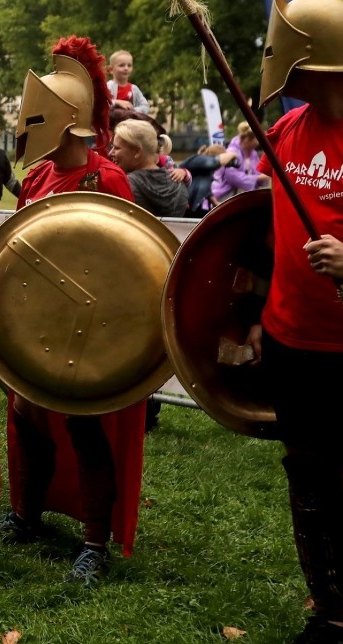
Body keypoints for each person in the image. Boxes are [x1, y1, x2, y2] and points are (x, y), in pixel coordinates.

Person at [0, 36, 148, 587]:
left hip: (90, 327)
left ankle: (94, 542)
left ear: (67, 120)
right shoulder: (35, 177)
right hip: (37, 322)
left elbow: (126, 264)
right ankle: (27, 515)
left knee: (85, 430)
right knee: (27, 419)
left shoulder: (107, 179)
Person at [242, 0, 343, 640]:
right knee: (306, 475)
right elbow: (263, 231)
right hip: (290, 336)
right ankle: (329, 607)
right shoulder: (286, 134)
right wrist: (255, 314)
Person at [110, 119, 188, 218]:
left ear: (137, 152)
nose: (110, 153)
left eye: (117, 148)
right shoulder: (180, 184)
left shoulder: (126, 186)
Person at [211, 121, 269, 203]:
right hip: (224, 196)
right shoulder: (231, 153)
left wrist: (263, 177)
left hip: (244, 195)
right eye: (255, 139)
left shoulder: (253, 154)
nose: (257, 143)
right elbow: (232, 177)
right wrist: (258, 178)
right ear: (246, 139)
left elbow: (258, 173)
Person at [179, 144, 239, 218]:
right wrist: (234, 154)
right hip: (183, 207)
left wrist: (215, 202)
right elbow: (214, 162)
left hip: (193, 206)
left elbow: (205, 187)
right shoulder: (199, 160)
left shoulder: (208, 169)